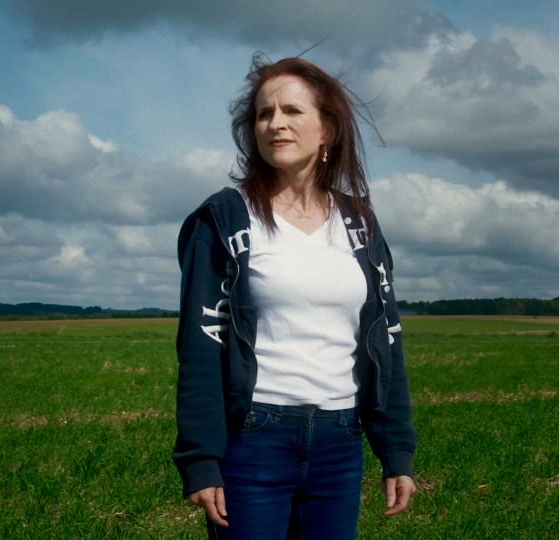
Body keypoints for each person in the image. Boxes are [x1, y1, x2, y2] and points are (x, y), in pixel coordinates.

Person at [173, 54, 417, 539]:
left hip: (339, 444)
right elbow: (200, 348)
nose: (275, 124)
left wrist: (396, 451)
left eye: (291, 111)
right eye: (264, 114)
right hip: (253, 441)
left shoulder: (359, 223)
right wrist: (201, 459)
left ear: (327, 129)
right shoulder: (224, 218)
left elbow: (386, 342)